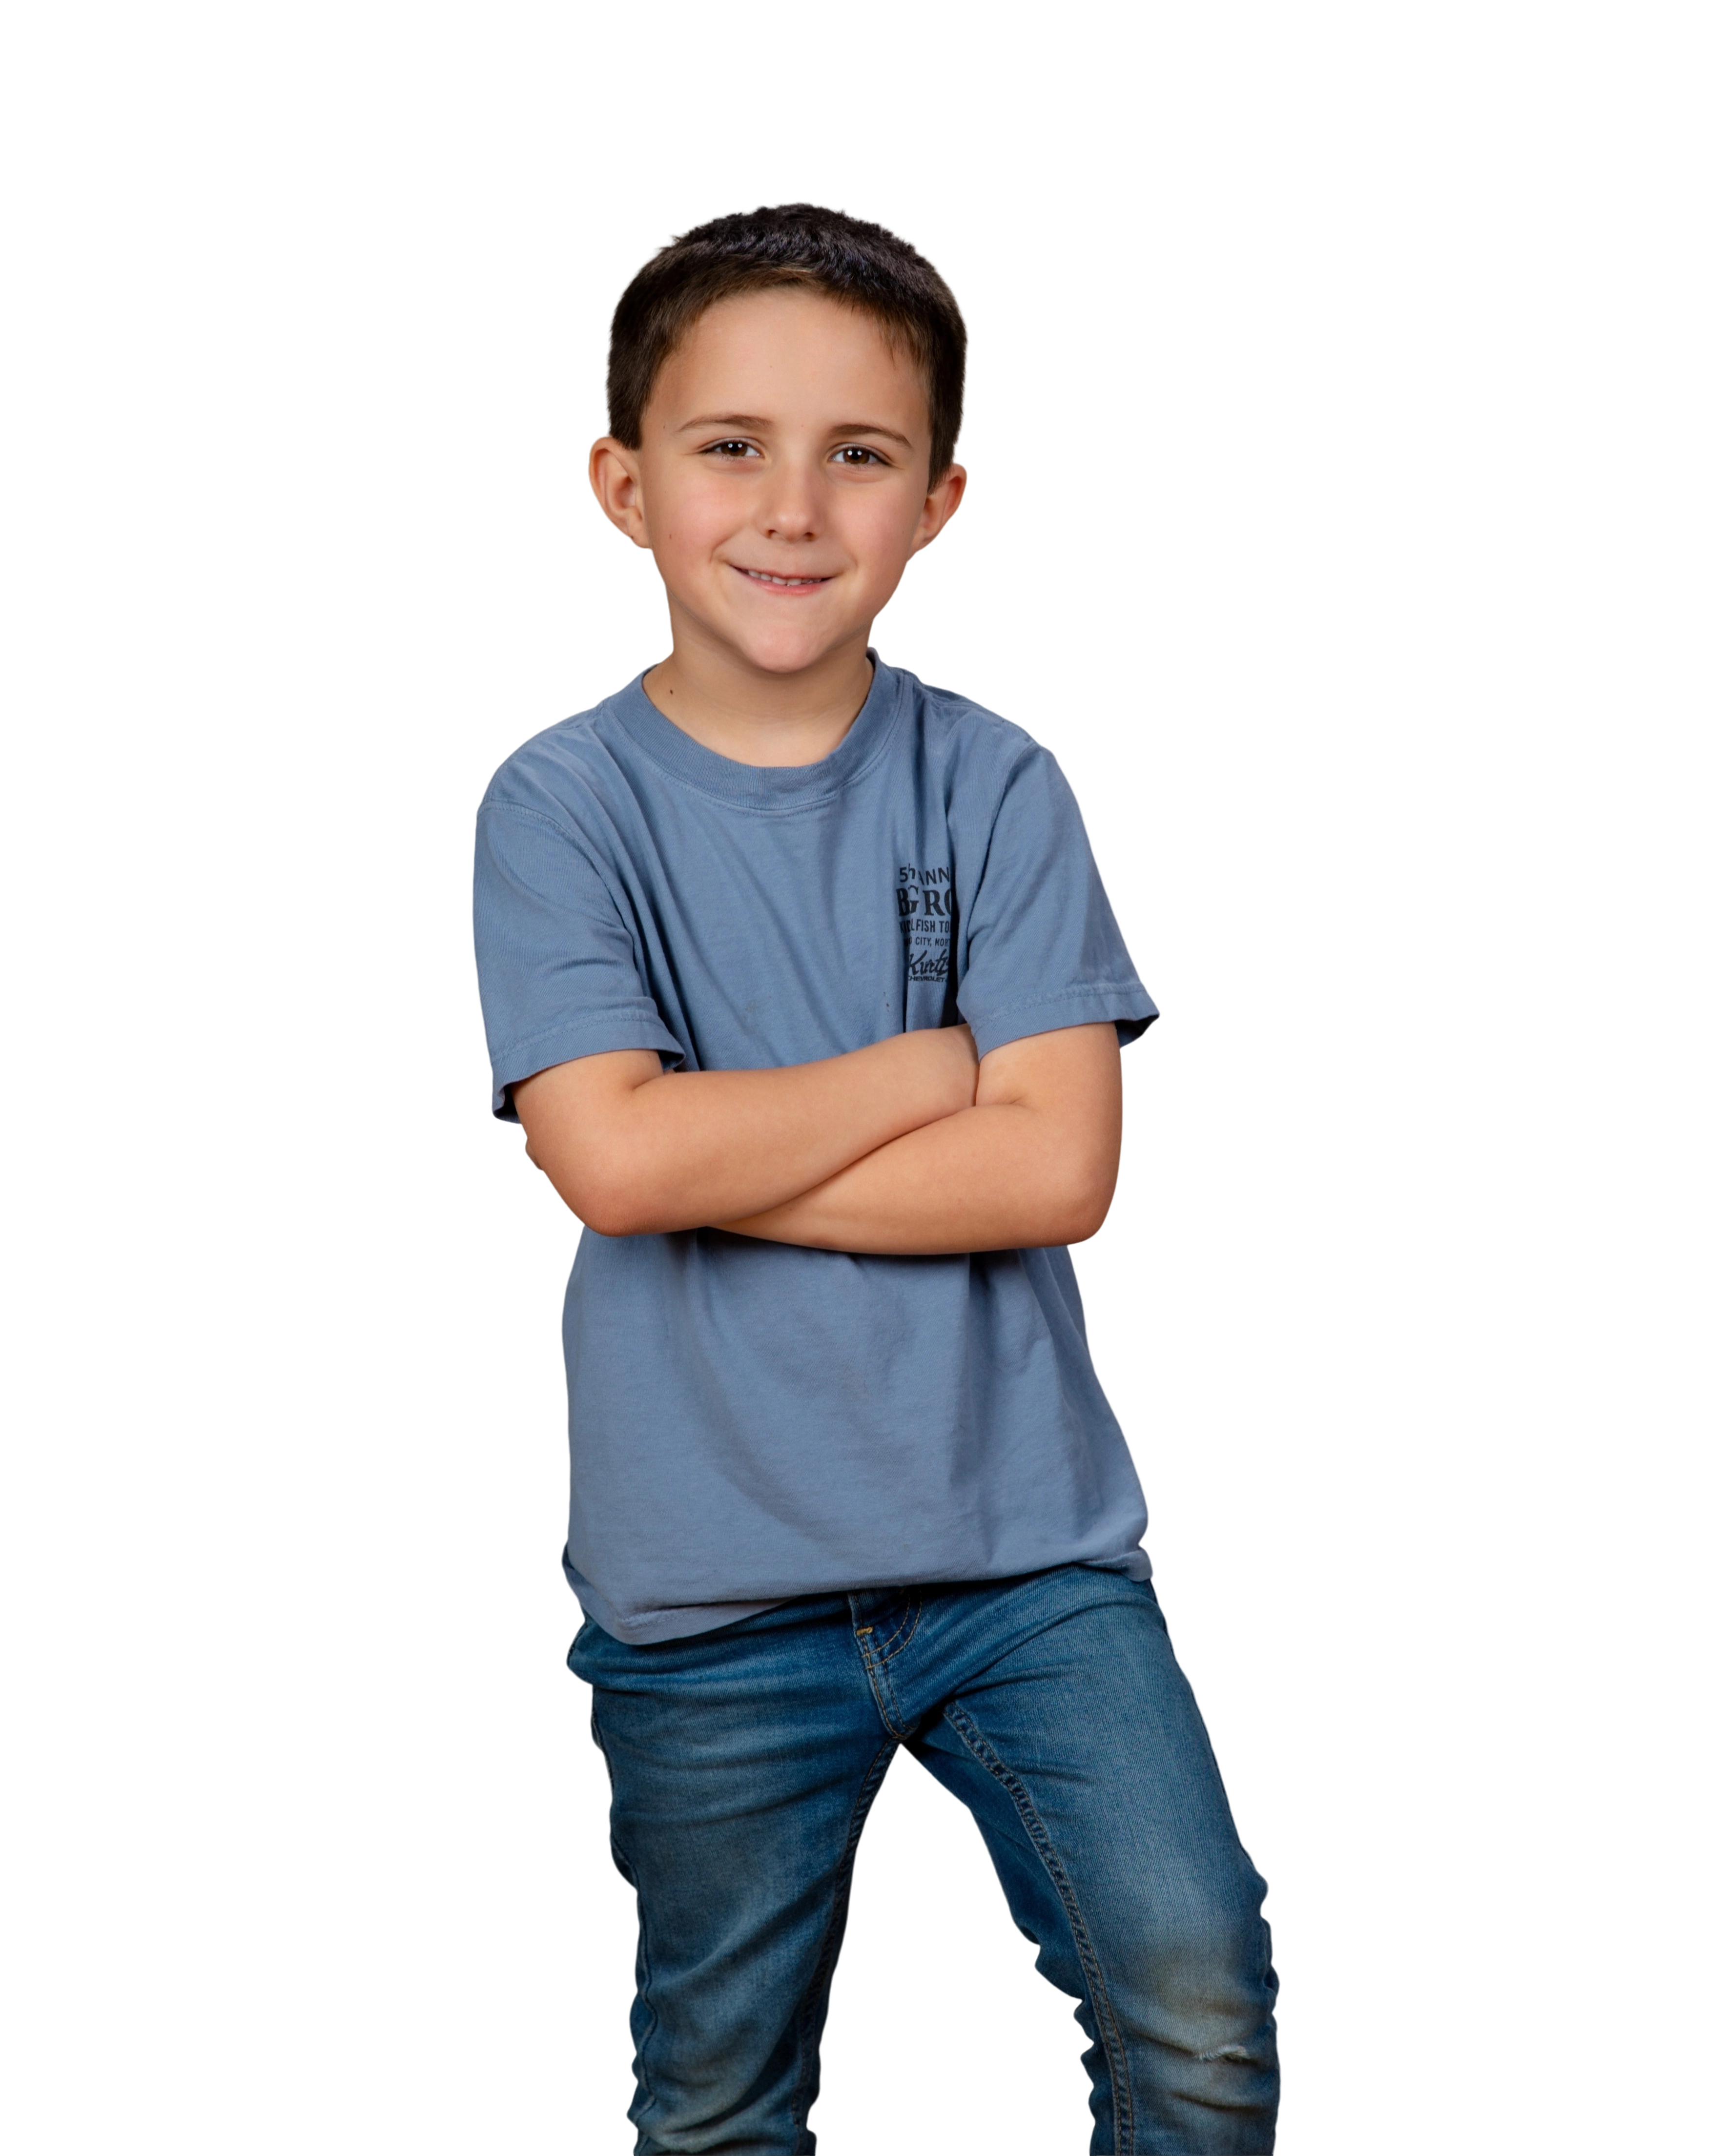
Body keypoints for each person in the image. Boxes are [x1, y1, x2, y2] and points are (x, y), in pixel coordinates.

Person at [469, 199, 1281, 2156]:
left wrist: (699, 1146)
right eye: (728, 445)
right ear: (624, 485)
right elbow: (608, 1160)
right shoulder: (560, 805)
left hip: (1026, 1560)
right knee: (717, 2098)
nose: (791, 507)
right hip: (707, 1594)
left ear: (939, 501)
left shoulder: (996, 784)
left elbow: (1055, 1169)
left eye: (858, 453)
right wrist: (927, 1073)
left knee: (1197, 2007)